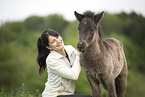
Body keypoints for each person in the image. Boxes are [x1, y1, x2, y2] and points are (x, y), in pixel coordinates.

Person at [37, 28, 88, 97]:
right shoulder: (51, 60)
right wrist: (78, 55)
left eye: (57, 37)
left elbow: (82, 63)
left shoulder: (70, 49)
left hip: (68, 94)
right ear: (49, 47)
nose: (58, 41)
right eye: (53, 41)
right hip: (54, 95)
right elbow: (73, 75)